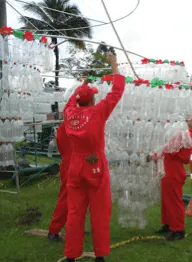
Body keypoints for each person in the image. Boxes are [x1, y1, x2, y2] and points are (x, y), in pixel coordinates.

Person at [62, 52, 122, 262]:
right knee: (99, 212)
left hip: (76, 166)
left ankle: (71, 255)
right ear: (94, 98)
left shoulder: (69, 113)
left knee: (75, 212)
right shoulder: (98, 112)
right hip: (95, 164)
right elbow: (117, 91)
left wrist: (80, 88)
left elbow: (71, 102)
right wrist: (114, 64)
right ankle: (100, 256)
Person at [156, 119, 192, 241]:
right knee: (166, 199)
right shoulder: (183, 133)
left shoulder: (188, 136)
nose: (189, 120)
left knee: (174, 200)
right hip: (168, 169)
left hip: (174, 171)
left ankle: (178, 230)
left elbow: (185, 158)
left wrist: (170, 151)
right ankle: (168, 223)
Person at [47, 124, 71, 242]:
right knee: (66, 199)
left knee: (79, 200)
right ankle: (54, 230)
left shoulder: (62, 128)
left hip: (69, 163)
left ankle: (74, 226)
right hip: (73, 165)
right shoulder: (74, 126)